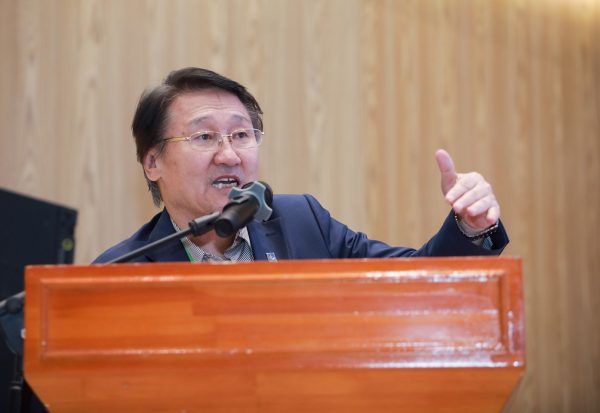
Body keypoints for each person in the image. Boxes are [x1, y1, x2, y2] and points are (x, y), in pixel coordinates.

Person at [93, 67, 508, 264]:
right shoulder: (120, 272)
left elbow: (413, 281)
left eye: (241, 134)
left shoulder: (301, 221)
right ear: (152, 162)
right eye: (204, 137)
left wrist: (470, 227)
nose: (230, 154)